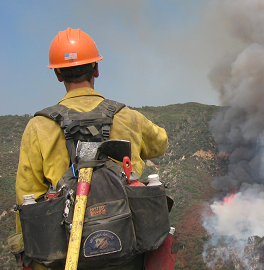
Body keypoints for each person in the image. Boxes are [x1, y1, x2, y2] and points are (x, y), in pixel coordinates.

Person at [14, 27, 168, 270]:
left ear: (57, 74)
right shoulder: (126, 116)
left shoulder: (38, 127)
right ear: (96, 68)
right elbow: (160, 143)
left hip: (67, 257)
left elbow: (27, 196)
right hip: (129, 253)